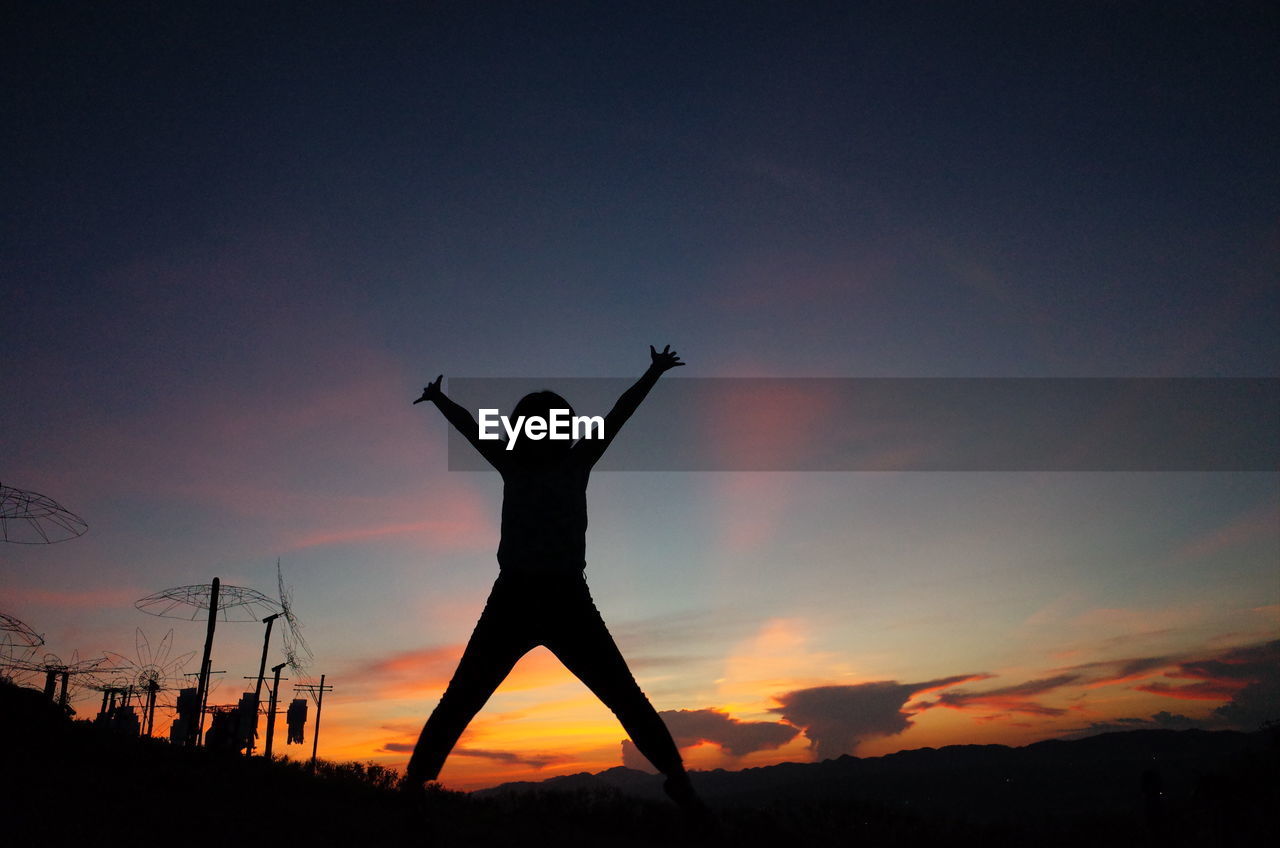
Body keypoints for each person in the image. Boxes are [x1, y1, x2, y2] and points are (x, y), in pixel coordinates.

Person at [405, 345, 705, 816]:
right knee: (466, 696)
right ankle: (413, 786)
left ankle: (679, 782)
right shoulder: (529, 460)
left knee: (620, 696)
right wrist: (441, 401)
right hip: (523, 598)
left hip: (558, 598)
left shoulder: (558, 459)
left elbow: (619, 413)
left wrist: (652, 372)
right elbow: (471, 428)